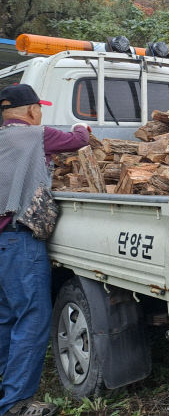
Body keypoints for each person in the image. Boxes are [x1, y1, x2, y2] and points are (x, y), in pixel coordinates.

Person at [0, 84, 90, 416]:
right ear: (33, 110)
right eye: (40, 108)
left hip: (1, 242)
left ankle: (6, 388)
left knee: (7, 317)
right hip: (19, 240)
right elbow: (78, 140)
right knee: (32, 318)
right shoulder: (35, 135)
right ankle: (15, 404)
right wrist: (82, 127)